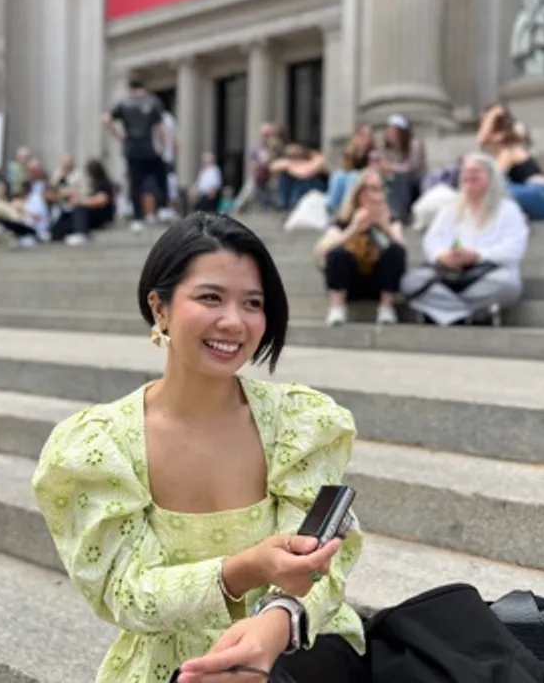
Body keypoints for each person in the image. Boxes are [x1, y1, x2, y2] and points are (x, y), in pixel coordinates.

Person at [33, 212, 368, 683]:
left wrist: (274, 625)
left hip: (298, 646)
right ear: (160, 307)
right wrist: (244, 568)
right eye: (210, 297)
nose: (233, 321)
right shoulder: (100, 446)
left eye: (253, 303)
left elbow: (325, 562)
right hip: (176, 664)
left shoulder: (300, 422)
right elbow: (125, 593)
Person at [401, 153, 529, 326]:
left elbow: (514, 248)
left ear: (491, 177)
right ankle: (471, 315)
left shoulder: (508, 210)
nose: (470, 176)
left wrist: (477, 256)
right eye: (466, 172)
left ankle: (442, 311)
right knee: (410, 281)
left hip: (488, 273)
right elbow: (433, 241)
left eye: (476, 171)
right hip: (451, 273)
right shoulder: (450, 209)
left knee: (507, 285)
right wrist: (443, 256)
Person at [315, 169, 407, 326]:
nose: (374, 195)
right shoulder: (344, 219)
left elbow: (401, 247)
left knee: (395, 252)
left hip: (378, 280)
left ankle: (386, 308)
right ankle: (337, 307)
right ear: (359, 193)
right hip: (351, 280)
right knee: (337, 253)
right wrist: (353, 229)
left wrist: (384, 226)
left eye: (378, 189)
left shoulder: (391, 218)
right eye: (370, 188)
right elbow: (323, 250)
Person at [103, 77, 168, 233]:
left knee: (135, 183)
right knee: (157, 178)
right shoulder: (153, 101)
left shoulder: (124, 103)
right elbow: (160, 127)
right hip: (149, 147)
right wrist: (163, 146)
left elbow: (105, 119)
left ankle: (138, 218)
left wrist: (119, 136)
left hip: (132, 148)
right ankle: (160, 209)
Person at [477, 103, 544, 220]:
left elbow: (495, 179)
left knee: (489, 191)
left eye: (486, 124)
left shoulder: (509, 151)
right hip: (537, 197)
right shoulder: (506, 148)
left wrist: (491, 115)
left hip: (538, 194)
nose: (483, 129)